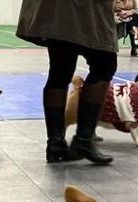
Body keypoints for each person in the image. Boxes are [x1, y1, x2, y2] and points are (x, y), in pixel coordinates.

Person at [16, 0, 118, 165]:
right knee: (104, 65)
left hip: (54, 7)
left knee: (60, 69)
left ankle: (55, 145)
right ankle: (84, 140)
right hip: (85, 8)